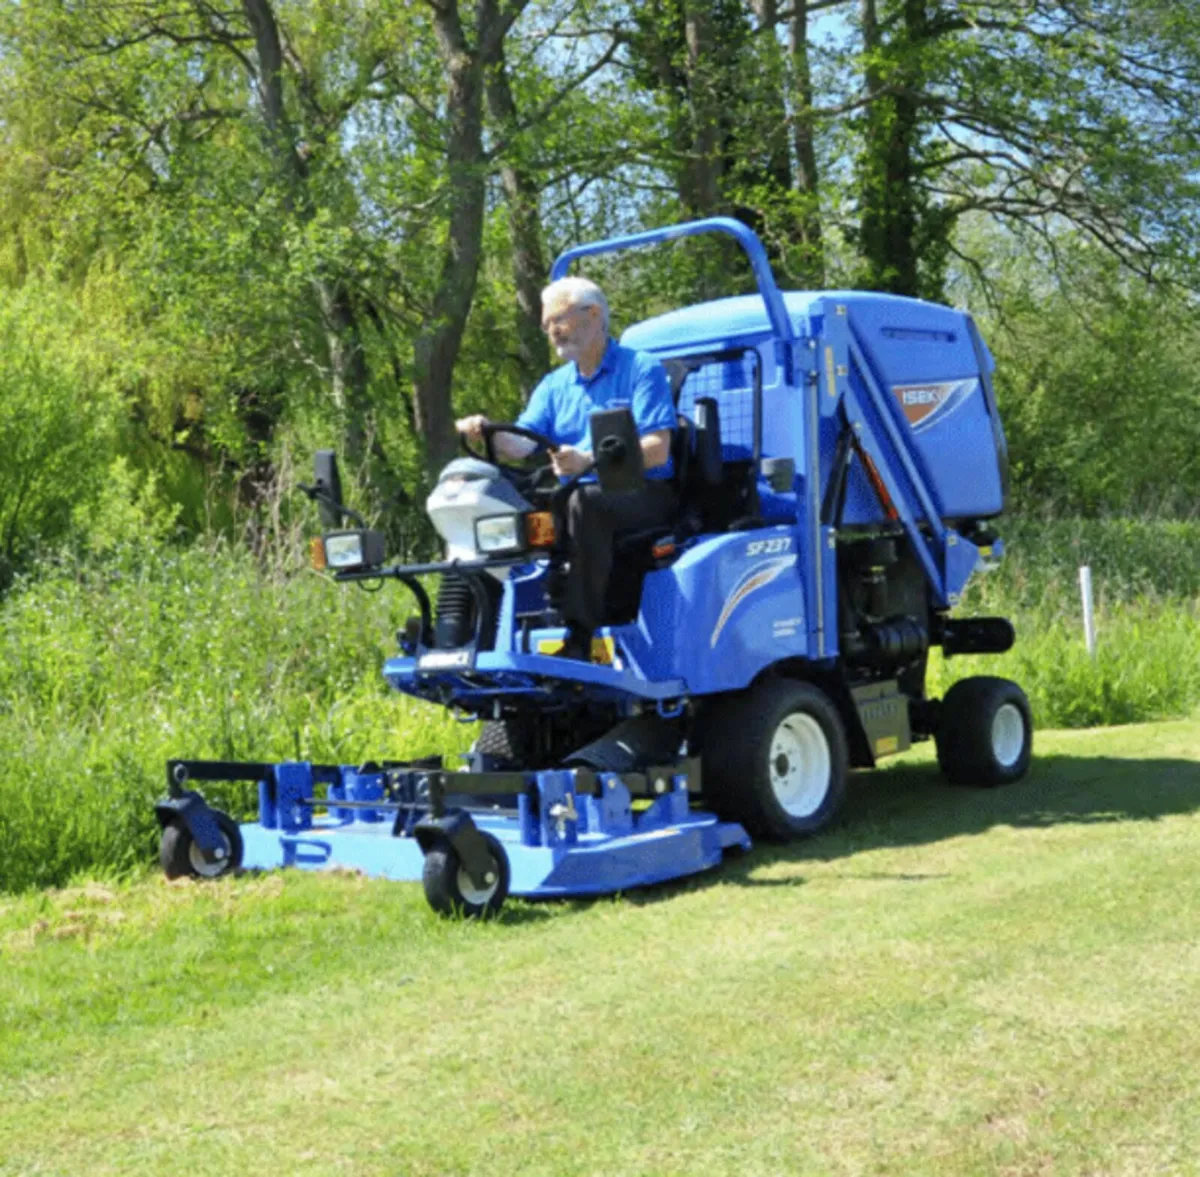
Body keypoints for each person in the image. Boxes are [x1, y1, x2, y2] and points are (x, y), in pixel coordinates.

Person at [456, 276, 676, 660]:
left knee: (584, 501)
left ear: (593, 315)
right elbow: (521, 444)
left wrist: (589, 460)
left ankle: (579, 636)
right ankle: (468, 631)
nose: (552, 332)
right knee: (481, 491)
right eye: (546, 325)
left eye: (558, 320)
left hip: (641, 493)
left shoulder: (641, 369)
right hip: (577, 494)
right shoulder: (554, 385)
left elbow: (657, 449)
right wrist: (486, 432)